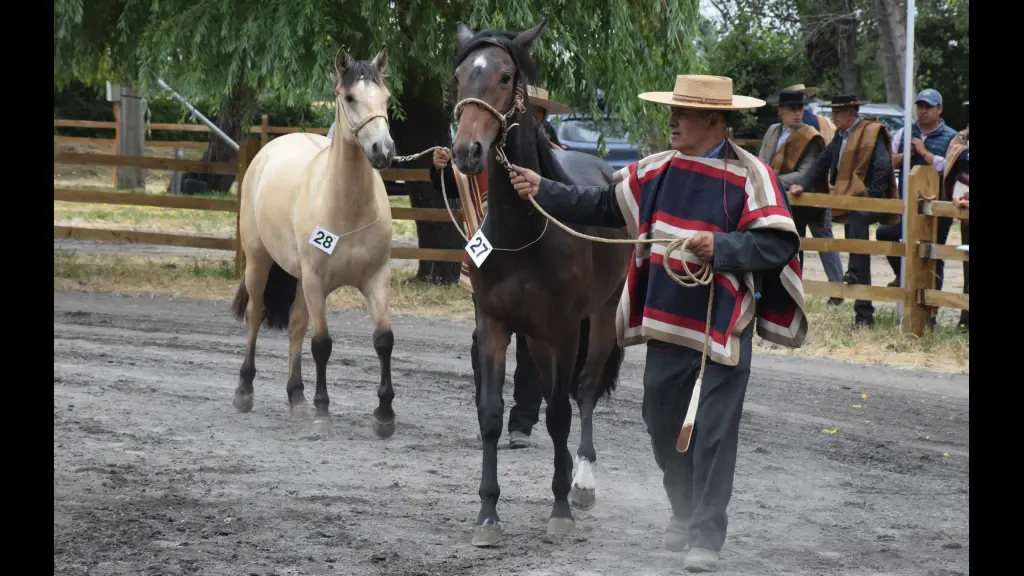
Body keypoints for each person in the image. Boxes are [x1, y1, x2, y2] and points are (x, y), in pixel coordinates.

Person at [508, 74, 808, 573]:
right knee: (661, 421)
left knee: (712, 431)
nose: (671, 120)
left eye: (682, 113)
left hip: (723, 326)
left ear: (714, 119)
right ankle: (683, 510)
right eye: (672, 110)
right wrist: (545, 189)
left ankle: (706, 537)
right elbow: (602, 205)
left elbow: (779, 242)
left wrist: (723, 247)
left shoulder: (753, 176)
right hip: (667, 322)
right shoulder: (655, 171)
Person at [430, 85, 579, 449]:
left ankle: (523, 421)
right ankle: (489, 409)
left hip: (538, 267)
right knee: (485, 336)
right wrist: (438, 171)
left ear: (539, 117)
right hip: (490, 262)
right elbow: (455, 186)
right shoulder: (482, 156)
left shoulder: (556, 161)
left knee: (534, 344)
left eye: (535, 112)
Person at [789, 93, 899, 328]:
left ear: (853, 112)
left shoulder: (872, 132)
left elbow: (882, 166)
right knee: (859, 251)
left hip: (872, 201)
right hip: (853, 203)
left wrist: (872, 197)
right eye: (833, 111)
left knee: (858, 228)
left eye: (839, 111)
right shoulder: (840, 137)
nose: (834, 115)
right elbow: (822, 162)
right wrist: (802, 185)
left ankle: (855, 276)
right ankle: (863, 315)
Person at [758, 88, 844, 304]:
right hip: (784, 196)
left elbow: (804, 174)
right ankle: (789, 289)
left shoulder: (810, 136)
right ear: (781, 111)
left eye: (800, 108)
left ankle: (838, 290)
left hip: (811, 197)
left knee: (823, 240)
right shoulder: (773, 131)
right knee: (790, 241)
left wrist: (770, 179)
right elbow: (763, 159)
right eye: (792, 109)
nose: (797, 113)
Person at [876, 89, 959, 295]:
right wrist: (906, 155)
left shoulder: (952, 137)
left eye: (929, 107)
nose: (923, 111)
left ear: (939, 109)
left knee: (933, 252)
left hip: (938, 206)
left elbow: (950, 167)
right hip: (907, 203)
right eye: (920, 106)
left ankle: (931, 307)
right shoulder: (904, 132)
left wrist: (924, 153)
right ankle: (902, 275)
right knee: (884, 233)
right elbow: (888, 162)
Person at [943, 100, 969, 332]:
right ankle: (965, 318)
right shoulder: (961, 140)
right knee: (968, 268)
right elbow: (953, 169)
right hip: (967, 212)